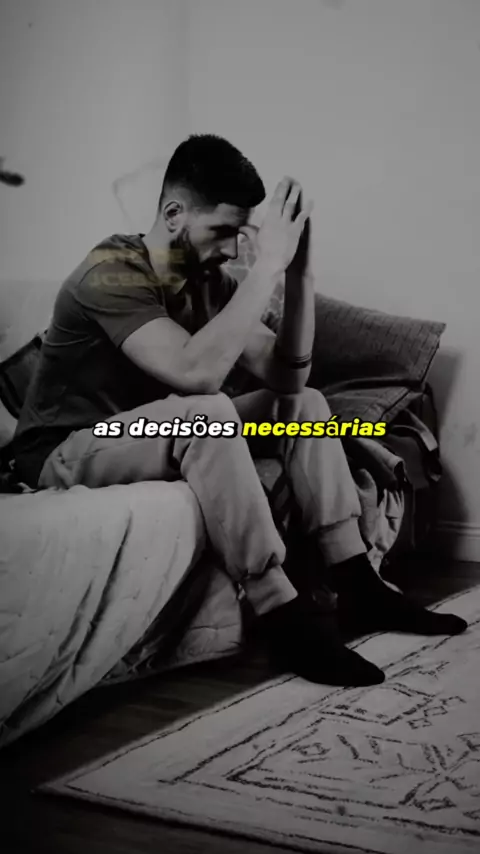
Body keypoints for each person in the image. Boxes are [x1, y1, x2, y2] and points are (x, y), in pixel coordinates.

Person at [13, 134, 467, 687]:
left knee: (303, 405)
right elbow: (195, 374)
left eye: (240, 234)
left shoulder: (209, 283)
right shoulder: (110, 272)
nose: (232, 249)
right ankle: (281, 613)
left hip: (147, 433)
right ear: (174, 215)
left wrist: (298, 274)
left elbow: (290, 377)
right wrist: (266, 266)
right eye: (222, 231)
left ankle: (357, 581)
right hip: (66, 449)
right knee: (207, 412)